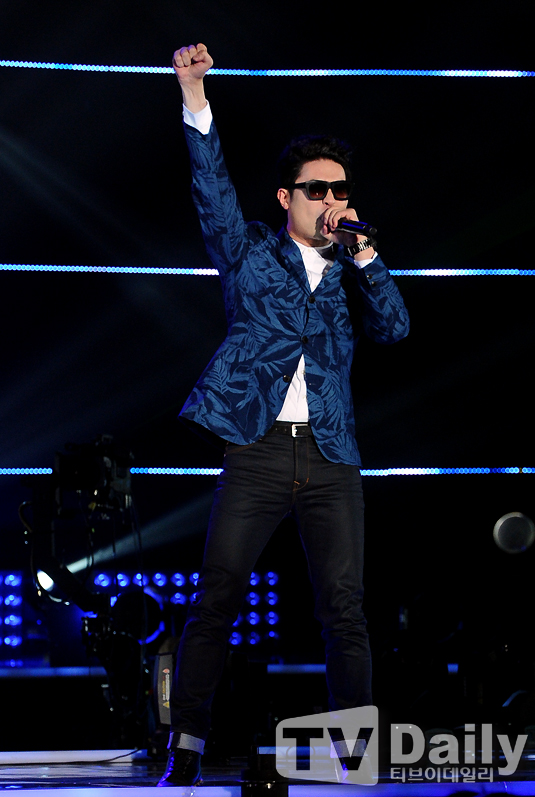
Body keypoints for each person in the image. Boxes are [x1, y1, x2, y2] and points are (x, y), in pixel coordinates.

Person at [157, 42, 410, 787]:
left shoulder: (350, 269)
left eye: (340, 189)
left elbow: (396, 328)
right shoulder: (249, 254)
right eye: (316, 188)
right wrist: (194, 98)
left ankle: (354, 753)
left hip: (331, 457)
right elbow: (211, 188)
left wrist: (366, 259)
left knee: (345, 608)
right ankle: (188, 743)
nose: (330, 200)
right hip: (259, 450)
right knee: (218, 596)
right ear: (285, 198)